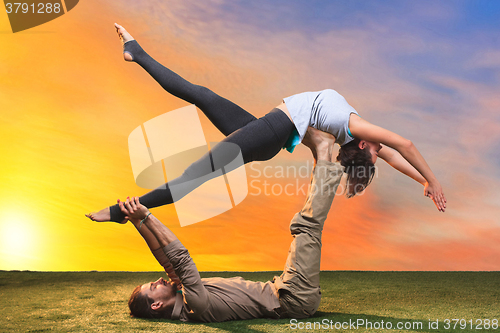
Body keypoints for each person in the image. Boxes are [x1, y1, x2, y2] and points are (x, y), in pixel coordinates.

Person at [86, 23, 446, 224]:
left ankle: (122, 212)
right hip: (265, 129)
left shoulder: (355, 131)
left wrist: (431, 179)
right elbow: (396, 155)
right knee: (202, 94)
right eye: (378, 152)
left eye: (376, 151)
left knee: (196, 174)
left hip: (270, 132)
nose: (381, 150)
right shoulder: (353, 128)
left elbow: (404, 146)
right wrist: (424, 182)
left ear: (365, 145)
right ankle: (136, 52)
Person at [116, 127, 344, 321]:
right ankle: (324, 152)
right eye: (154, 287)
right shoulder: (195, 305)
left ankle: (321, 156)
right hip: (294, 298)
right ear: (156, 305)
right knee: (307, 226)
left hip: (283, 287)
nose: (158, 280)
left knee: (305, 226)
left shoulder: (185, 294)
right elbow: (180, 259)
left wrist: (137, 221)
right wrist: (146, 215)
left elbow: (164, 257)